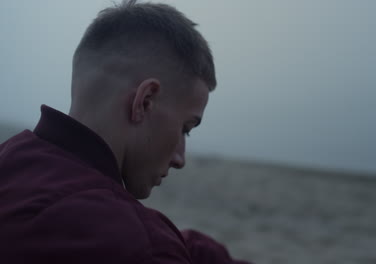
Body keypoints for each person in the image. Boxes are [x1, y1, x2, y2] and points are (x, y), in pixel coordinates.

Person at [0, 1, 251, 263]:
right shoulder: (141, 245)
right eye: (185, 129)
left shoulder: (11, 164)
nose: (180, 158)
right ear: (144, 102)